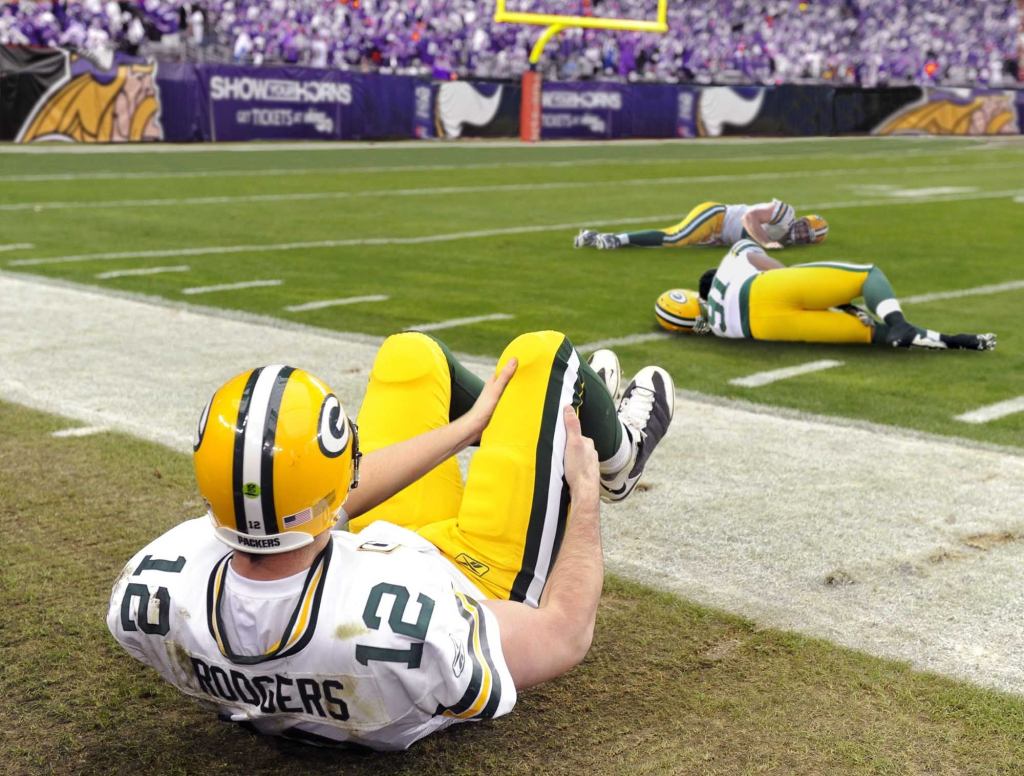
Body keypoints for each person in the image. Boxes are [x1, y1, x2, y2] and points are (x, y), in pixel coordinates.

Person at [106, 331, 675, 750]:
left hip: (378, 557)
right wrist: (584, 496)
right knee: (542, 356)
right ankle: (617, 455)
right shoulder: (411, 628)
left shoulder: (156, 595)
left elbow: (313, 509)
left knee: (410, 355)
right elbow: (565, 634)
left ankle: (525, 422)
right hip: (472, 581)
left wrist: (468, 429)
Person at [654, 239, 996, 350]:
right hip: (764, 290)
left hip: (759, 329)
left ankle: (952, 340)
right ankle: (902, 322)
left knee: (871, 334)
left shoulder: (710, 322)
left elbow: (686, 322)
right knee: (867, 275)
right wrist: (817, 291)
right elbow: (774, 267)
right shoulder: (734, 260)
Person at [574, 198, 828, 251]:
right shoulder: (784, 213)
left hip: (718, 235)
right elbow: (748, 218)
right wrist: (765, 242)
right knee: (675, 238)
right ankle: (616, 239)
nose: (802, 233)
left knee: (671, 237)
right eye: (806, 227)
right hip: (717, 216)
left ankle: (599, 236)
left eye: (808, 235)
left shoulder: (785, 241)